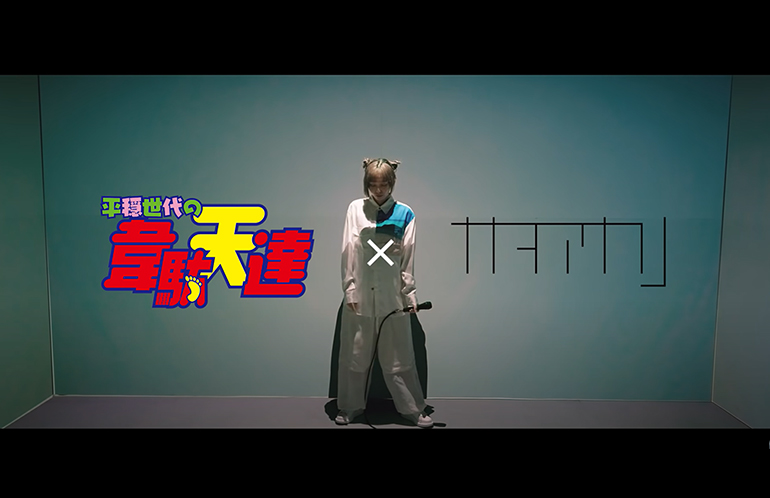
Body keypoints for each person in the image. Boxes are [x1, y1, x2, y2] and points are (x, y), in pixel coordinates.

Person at [335, 157, 433, 428]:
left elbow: (408, 259)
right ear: (366, 183)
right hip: (360, 297)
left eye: (384, 185)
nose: (378, 190)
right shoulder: (356, 209)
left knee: (399, 357)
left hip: (393, 298)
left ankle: (412, 409)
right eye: (373, 185)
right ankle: (350, 406)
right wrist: (350, 289)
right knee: (354, 356)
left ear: (392, 183)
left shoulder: (405, 213)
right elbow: (348, 251)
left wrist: (409, 294)